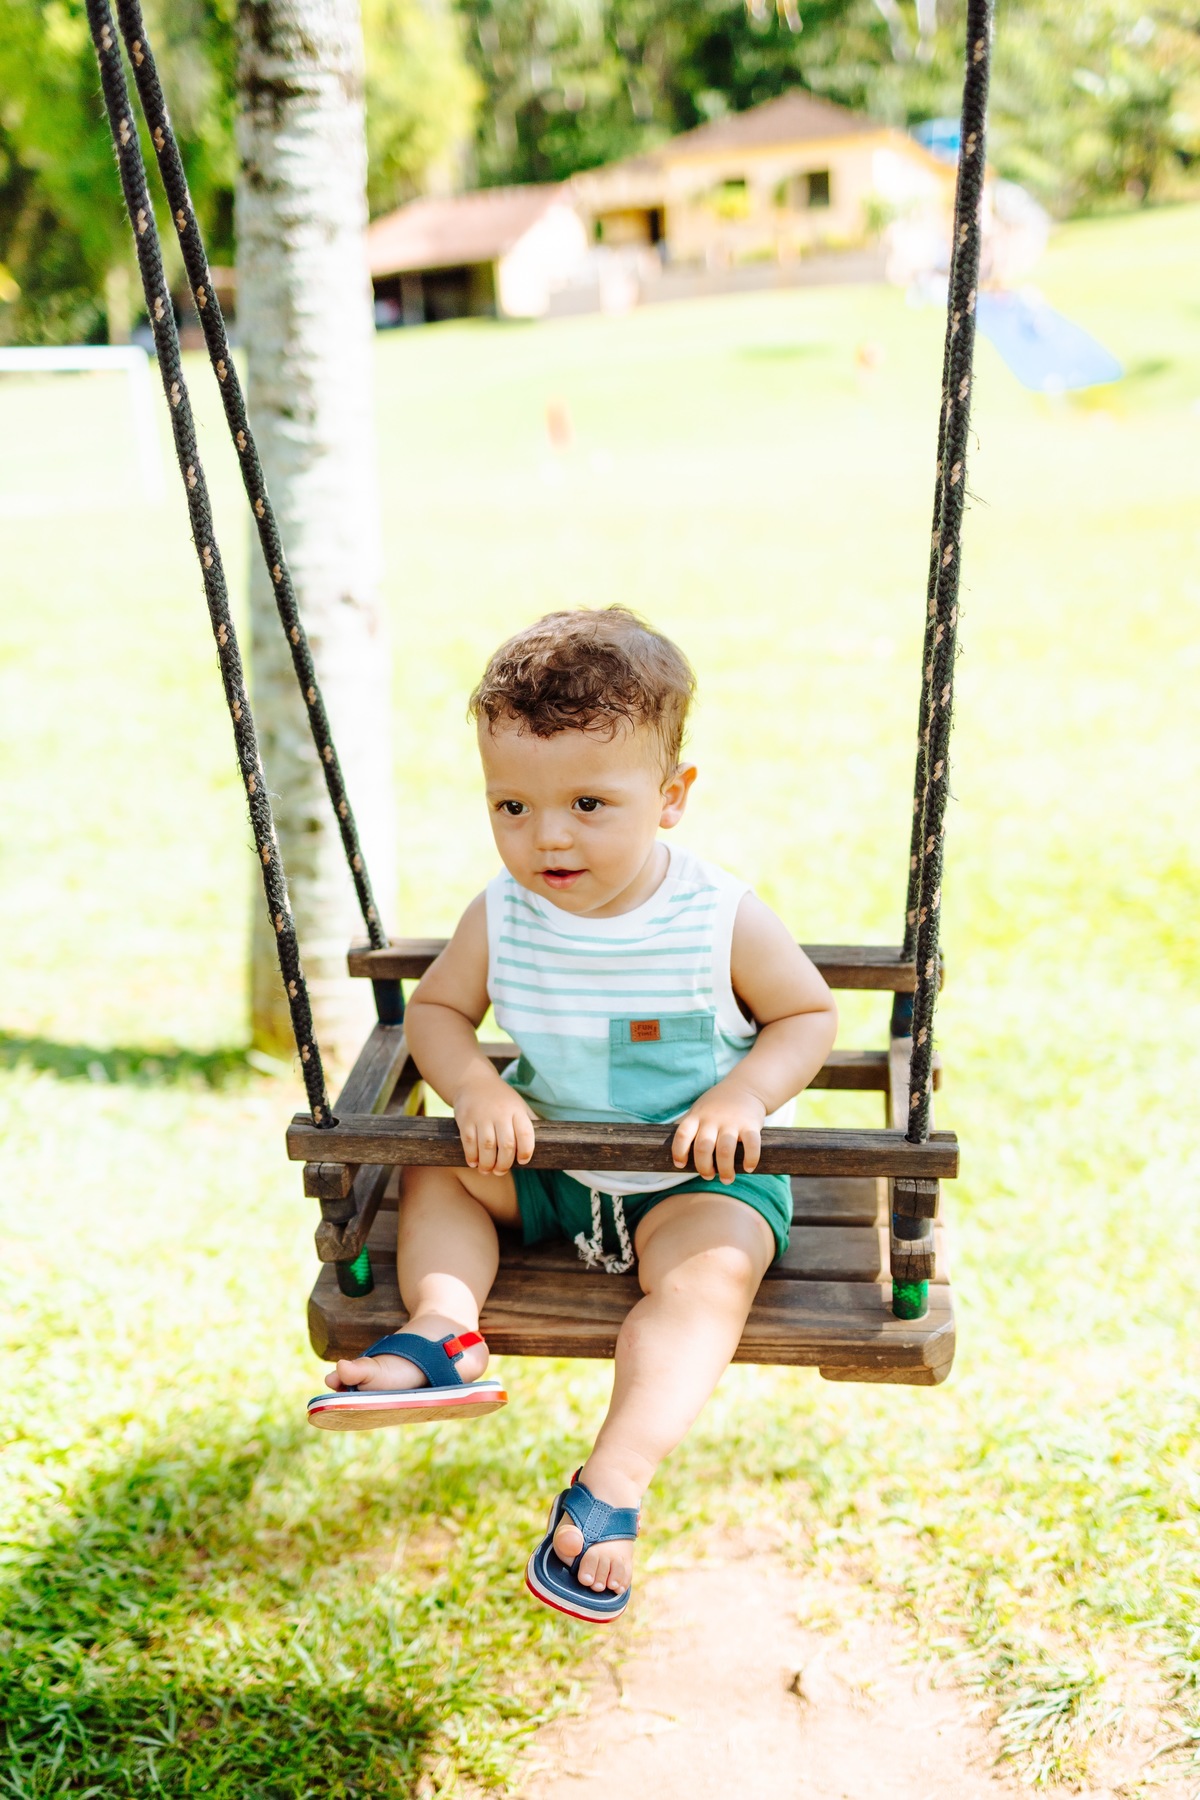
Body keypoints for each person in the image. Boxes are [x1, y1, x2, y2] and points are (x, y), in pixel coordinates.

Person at [313, 608, 837, 1622]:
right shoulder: (501, 915)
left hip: (697, 1177)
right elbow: (437, 1011)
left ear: (672, 798)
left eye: (589, 802)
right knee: (436, 1170)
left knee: (710, 1276)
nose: (547, 835)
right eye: (511, 805)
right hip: (550, 1168)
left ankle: (613, 1481)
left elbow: (806, 1016)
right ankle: (443, 1333)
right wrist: (474, 1084)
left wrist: (742, 1094)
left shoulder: (717, 915)